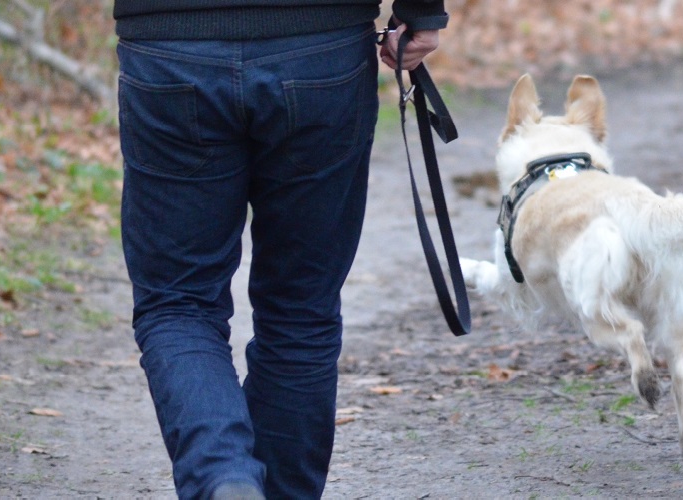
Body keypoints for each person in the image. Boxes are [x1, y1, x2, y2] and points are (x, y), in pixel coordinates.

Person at [112, 1, 446, 498]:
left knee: (178, 303)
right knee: (300, 307)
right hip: (320, 46)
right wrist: (422, 10)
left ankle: (222, 476)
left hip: (170, 46)